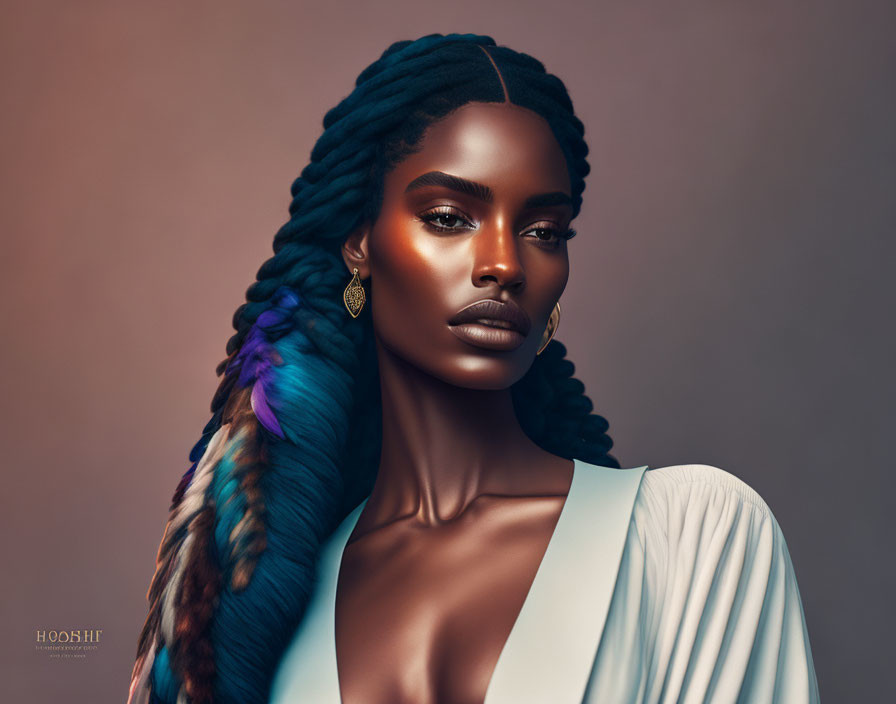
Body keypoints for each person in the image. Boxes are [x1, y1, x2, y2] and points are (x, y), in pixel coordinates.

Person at [127, 33, 819, 704]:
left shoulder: (689, 537)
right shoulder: (269, 603)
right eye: (450, 216)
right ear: (359, 244)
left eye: (542, 232)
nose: (505, 264)